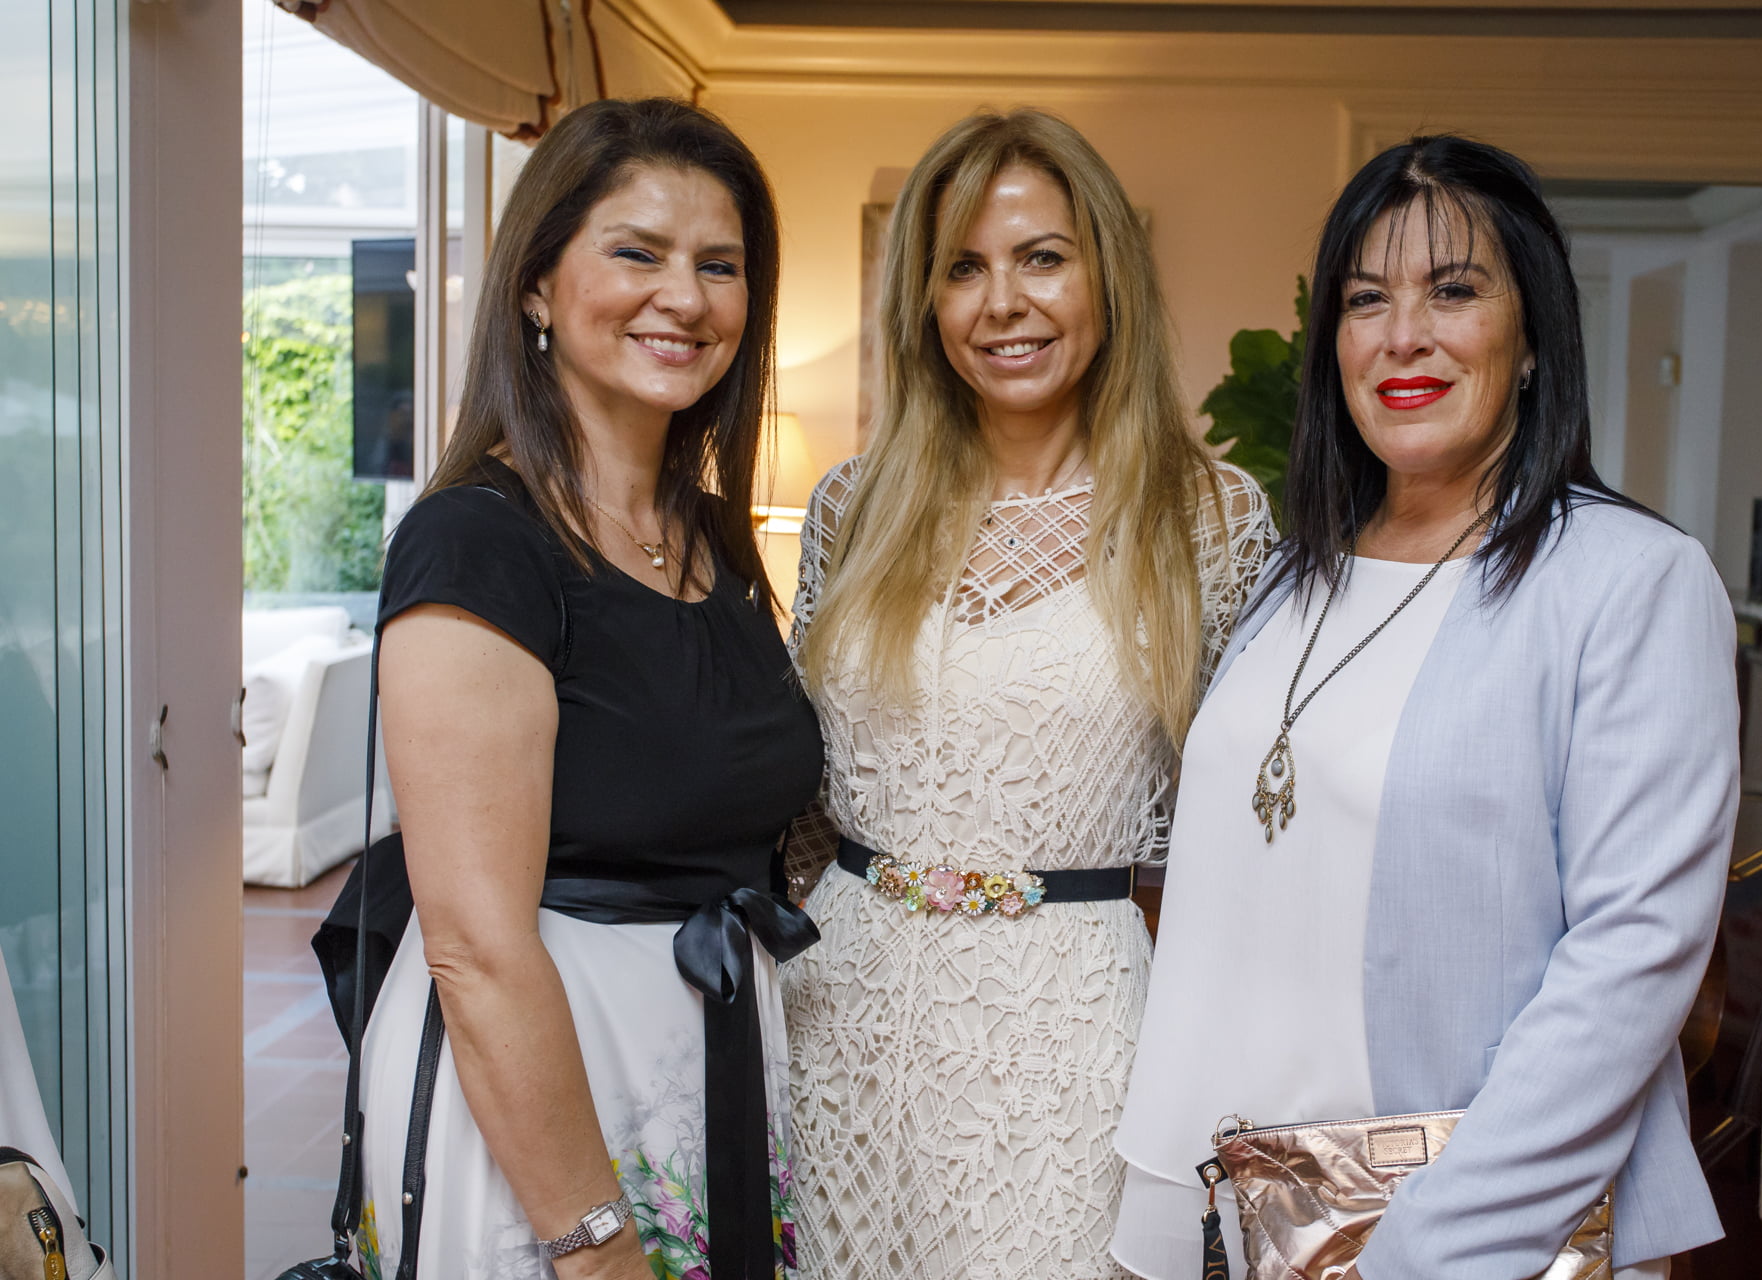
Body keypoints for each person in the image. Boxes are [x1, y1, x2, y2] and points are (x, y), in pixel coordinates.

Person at [1111, 135, 1737, 1280]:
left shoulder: (1628, 579)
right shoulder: (1291, 571)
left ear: (1532, 334)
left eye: (1452, 290)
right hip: (1222, 1196)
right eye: (1366, 298)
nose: (1403, 334)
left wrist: (1423, 1244)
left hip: (1450, 1229)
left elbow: (1632, 954)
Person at [778, 108, 1273, 1279]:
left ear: (1106, 276)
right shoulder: (852, 504)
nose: (1002, 302)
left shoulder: (1209, 519)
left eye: (1041, 258)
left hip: (1068, 1048)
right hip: (836, 1025)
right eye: (962, 268)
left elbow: (1241, 843)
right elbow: (796, 792)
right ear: (925, 304)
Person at [357, 98, 822, 1280]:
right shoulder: (477, 541)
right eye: (636, 252)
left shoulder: (711, 537)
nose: (684, 298)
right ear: (535, 286)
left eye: (718, 265)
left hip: (707, 1060)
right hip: (544, 1106)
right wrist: (592, 1241)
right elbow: (475, 948)